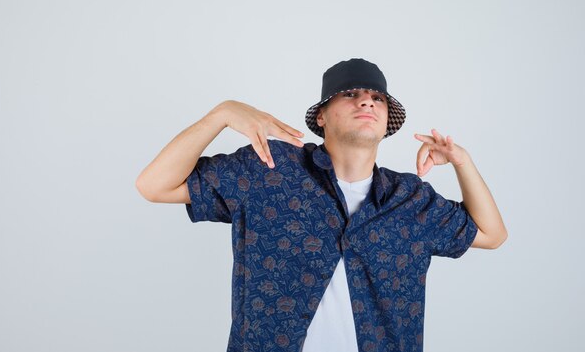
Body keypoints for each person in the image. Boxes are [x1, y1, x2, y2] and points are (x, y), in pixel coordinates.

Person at [136, 58, 508, 352]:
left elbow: (492, 234)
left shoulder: (409, 199)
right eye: (350, 94)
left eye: (377, 98)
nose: (367, 101)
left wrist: (462, 161)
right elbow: (154, 185)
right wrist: (222, 114)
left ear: (385, 122)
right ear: (321, 116)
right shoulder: (269, 168)